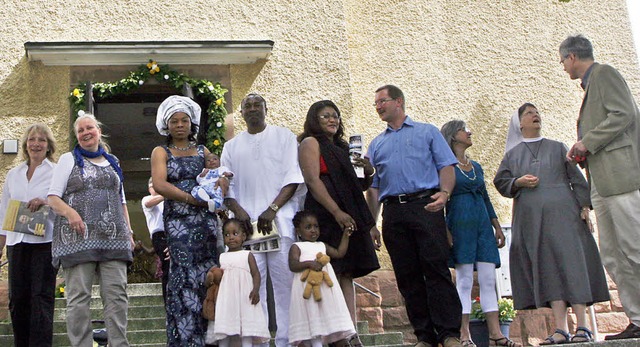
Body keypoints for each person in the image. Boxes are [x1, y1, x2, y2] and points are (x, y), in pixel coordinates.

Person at [493, 103, 610, 344]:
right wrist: (518, 182)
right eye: (528, 113)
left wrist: (585, 207)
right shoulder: (512, 155)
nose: (535, 115)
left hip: (565, 218)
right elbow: (501, 182)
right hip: (533, 222)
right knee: (549, 270)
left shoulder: (558, 148)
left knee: (572, 265)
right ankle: (560, 328)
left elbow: (576, 179)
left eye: (537, 112)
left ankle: (583, 327)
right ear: (519, 123)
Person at [365, 85, 462, 347]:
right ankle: (424, 336)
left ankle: (449, 334)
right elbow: (373, 188)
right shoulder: (376, 144)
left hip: (425, 206)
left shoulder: (427, 132)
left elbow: (446, 166)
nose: (378, 106)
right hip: (393, 212)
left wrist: (444, 194)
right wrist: (371, 224)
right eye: (375, 103)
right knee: (407, 277)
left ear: (398, 102)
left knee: (436, 271)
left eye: (382, 101)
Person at [560, 34, 640, 340]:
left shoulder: (605, 74)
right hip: (603, 184)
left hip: (621, 179)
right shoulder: (591, 86)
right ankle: (636, 317)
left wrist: (586, 142)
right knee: (613, 255)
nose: (564, 67)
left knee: (634, 248)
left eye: (563, 61)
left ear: (572, 57)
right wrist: (584, 151)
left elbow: (624, 114)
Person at [220, 93, 304, 347]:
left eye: (258, 105)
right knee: (251, 286)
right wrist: (240, 212)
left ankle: (287, 340)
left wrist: (272, 209)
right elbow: (225, 187)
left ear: (266, 109)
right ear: (242, 113)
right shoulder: (231, 147)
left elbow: (292, 178)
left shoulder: (284, 137)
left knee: (285, 285)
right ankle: (258, 341)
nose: (253, 109)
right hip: (247, 229)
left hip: (278, 223)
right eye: (248, 106)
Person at [48, 114, 135, 347]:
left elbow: (121, 200)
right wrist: (71, 213)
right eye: (80, 130)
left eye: (90, 128)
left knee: (117, 297)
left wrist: (129, 231)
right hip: (77, 239)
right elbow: (53, 198)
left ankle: (119, 343)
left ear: (98, 131)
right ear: (77, 136)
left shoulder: (113, 160)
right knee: (78, 298)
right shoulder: (68, 160)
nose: (86, 133)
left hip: (114, 239)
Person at [297, 99, 381, 342]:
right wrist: (336, 212)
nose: (332, 119)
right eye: (325, 116)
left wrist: (367, 170)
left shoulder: (344, 148)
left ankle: (350, 331)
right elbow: (313, 181)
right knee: (329, 270)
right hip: (326, 212)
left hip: (349, 211)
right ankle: (330, 333)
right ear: (314, 120)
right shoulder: (310, 143)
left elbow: (358, 185)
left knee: (346, 273)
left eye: (335, 115)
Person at [440, 120, 517, 347]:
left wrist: (496, 226)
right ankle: (464, 333)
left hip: (482, 224)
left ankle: (495, 333)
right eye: (464, 130)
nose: (469, 132)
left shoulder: (477, 167)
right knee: (463, 279)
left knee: (487, 277)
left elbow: (485, 197)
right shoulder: (446, 167)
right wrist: (445, 231)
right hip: (460, 224)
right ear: (454, 136)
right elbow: (441, 199)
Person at [150, 95, 219, 346]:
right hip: (179, 221)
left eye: (184, 120)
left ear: (192, 124)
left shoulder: (204, 151)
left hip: (206, 221)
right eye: (174, 121)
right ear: (166, 125)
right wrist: (191, 199)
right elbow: (159, 184)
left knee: (207, 273)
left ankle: (208, 337)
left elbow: (215, 177)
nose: (180, 125)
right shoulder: (161, 151)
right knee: (183, 276)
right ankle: (185, 338)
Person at [0, 123, 57, 347]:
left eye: (41, 140)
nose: (36, 144)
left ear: (48, 145)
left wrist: (45, 202)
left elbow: (62, 203)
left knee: (41, 298)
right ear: (25, 144)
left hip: (44, 242)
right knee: (17, 299)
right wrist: (1, 241)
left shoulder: (55, 172)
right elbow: (4, 209)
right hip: (17, 242)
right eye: (32, 139)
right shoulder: (13, 174)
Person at [288, 210, 355, 347]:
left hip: (325, 289)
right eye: (308, 227)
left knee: (326, 312)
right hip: (307, 289)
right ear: (298, 231)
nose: (313, 230)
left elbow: (339, 253)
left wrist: (346, 236)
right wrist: (308, 263)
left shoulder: (322, 245)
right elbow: (293, 265)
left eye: (316, 226)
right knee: (311, 313)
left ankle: (333, 338)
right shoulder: (297, 247)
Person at [211, 218, 270, 347]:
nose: (231, 237)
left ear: (243, 236)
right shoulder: (222, 257)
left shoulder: (247, 255)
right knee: (226, 328)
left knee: (246, 329)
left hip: (245, 297)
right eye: (227, 234)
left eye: (235, 233)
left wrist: (255, 290)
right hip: (227, 299)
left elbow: (256, 274)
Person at [141, 177, 169, 304]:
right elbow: (149, 204)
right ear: (149, 188)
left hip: (172, 232)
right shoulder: (147, 199)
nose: (155, 188)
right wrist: (169, 193)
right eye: (153, 186)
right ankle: (167, 300)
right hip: (160, 235)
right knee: (167, 265)